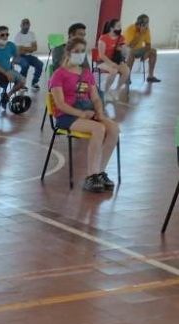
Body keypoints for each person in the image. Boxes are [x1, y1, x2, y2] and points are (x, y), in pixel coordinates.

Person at [49, 37, 119, 193]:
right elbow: (60, 104)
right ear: (68, 53)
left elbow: (95, 97)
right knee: (99, 129)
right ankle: (90, 176)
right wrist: (80, 114)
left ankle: (100, 171)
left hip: (87, 112)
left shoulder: (86, 73)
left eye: (82, 51)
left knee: (114, 128)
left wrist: (100, 113)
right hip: (67, 116)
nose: (80, 55)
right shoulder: (58, 75)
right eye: (76, 51)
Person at [0, 26, 26, 118]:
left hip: (8, 69)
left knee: (22, 81)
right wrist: (6, 73)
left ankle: (7, 96)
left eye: (7, 34)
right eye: (2, 34)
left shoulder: (11, 45)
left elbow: (17, 55)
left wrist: (15, 60)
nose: (5, 36)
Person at [97, 19, 131, 101]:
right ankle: (106, 91)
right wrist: (111, 63)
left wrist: (125, 51)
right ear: (111, 28)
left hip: (116, 60)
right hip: (103, 61)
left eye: (120, 26)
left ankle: (116, 90)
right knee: (114, 70)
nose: (120, 28)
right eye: (118, 26)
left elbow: (122, 52)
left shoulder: (121, 38)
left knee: (126, 70)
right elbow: (101, 55)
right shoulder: (103, 38)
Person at [124, 14, 160, 83]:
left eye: (147, 23)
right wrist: (140, 34)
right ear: (139, 24)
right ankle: (126, 77)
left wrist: (146, 53)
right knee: (131, 53)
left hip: (138, 50)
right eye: (146, 23)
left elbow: (148, 45)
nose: (147, 25)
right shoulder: (130, 29)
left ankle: (150, 76)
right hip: (126, 51)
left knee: (153, 51)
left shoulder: (146, 29)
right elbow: (130, 46)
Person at [13, 18, 43, 90]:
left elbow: (35, 48)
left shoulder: (32, 34)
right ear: (21, 25)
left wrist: (23, 48)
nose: (26, 26)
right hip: (19, 56)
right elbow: (19, 51)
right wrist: (29, 48)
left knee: (40, 64)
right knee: (25, 65)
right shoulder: (18, 36)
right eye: (24, 24)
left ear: (29, 25)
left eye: (27, 24)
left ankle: (34, 82)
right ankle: (20, 84)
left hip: (29, 56)